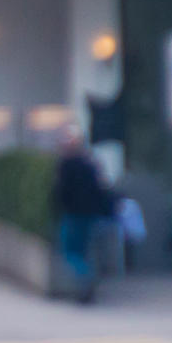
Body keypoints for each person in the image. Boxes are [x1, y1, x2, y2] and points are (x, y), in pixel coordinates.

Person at [51, 127, 117, 302]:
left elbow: (61, 191)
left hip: (73, 214)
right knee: (84, 250)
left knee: (70, 251)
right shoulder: (89, 164)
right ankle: (87, 279)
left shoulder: (65, 165)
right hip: (90, 214)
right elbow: (100, 189)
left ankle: (85, 279)